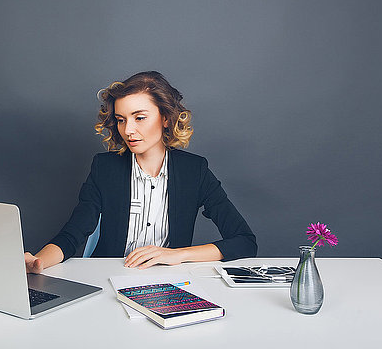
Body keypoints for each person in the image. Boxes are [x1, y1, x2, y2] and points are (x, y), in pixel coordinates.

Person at [25, 71, 257, 273]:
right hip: (108, 277)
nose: (129, 130)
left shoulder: (194, 171)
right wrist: (39, 261)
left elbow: (244, 242)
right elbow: (72, 235)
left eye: (140, 117)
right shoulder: (104, 168)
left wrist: (177, 255)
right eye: (121, 120)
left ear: (165, 118)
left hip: (169, 282)